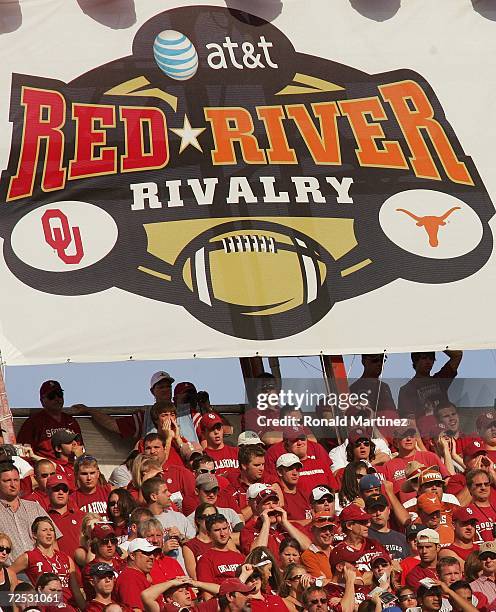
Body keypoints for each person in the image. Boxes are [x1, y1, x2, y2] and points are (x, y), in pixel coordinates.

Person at [10, 517, 83, 610]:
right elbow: (8, 573)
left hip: (68, 607)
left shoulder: (66, 558)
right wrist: (24, 585)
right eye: (44, 530)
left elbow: (76, 590)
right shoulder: (29, 556)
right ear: (34, 535)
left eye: (51, 530)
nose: (49, 533)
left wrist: (85, 609)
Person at [0, 461, 61, 560]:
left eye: (16, 480)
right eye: (7, 481)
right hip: (10, 570)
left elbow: (53, 541)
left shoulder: (34, 507)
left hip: (40, 568)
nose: (13, 484)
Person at [17, 381, 84, 460]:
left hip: (70, 467)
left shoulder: (71, 421)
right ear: (42, 401)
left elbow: (80, 448)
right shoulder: (33, 423)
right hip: (46, 468)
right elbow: (24, 452)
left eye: (59, 394)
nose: (57, 399)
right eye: (51, 396)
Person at [239, 486, 311, 560]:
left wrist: (285, 523)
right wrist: (266, 523)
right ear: (257, 508)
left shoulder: (292, 526)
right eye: (267, 503)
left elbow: (308, 548)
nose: (272, 507)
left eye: (274, 503)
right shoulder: (249, 529)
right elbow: (256, 555)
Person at [265, 427, 338, 496]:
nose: (300, 442)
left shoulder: (321, 463)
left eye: (302, 438)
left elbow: (334, 489)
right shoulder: (286, 470)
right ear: (287, 445)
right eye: (294, 440)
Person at [378, 423, 451, 493]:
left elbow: (447, 480)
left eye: (412, 435)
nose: (409, 439)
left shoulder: (430, 457)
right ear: (396, 441)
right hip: (403, 506)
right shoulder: (388, 466)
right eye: (404, 436)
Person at [142, 476, 195, 571]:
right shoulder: (143, 521)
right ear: (153, 496)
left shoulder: (179, 517)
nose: (169, 494)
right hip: (159, 576)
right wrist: (162, 550)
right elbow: (139, 556)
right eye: (165, 491)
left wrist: (181, 537)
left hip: (184, 574)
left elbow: (196, 546)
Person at [398, 351, 462, 421]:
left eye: (431, 358)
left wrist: (435, 343)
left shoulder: (440, 379)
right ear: (415, 361)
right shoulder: (406, 389)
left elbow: (457, 355)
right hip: (425, 430)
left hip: (446, 428)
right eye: (424, 358)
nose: (428, 362)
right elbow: (408, 421)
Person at [333, 503, 388, 572]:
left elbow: (391, 567)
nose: (368, 524)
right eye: (363, 522)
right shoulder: (339, 553)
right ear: (349, 525)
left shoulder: (375, 544)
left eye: (367, 521)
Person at [196, 514, 244, 589]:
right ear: (208, 534)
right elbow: (207, 594)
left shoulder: (240, 557)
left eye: (224, 528)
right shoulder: (205, 560)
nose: (222, 534)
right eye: (217, 530)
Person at [221, 444, 266, 521]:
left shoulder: (268, 482)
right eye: (257, 465)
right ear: (244, 466)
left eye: (263, 464)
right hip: (246, 531)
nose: (262, 468)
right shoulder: (230, 492)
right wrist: (260, 499)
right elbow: (236, 520)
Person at [114, 538, 162, 611]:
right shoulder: (130, 577)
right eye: (146, 553)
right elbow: (135, 610)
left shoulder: (138, 575)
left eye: (153, 553)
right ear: (132, 555)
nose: (152, 557)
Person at [45, 474, 85, 557]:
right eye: (56, 489)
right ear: (48, 491)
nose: (61, 492)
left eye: (64, 489)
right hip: (58, 567)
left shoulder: (82, 516)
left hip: (81, 568)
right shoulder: (44, 519)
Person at [137, 518, 185, 585]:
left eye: (158, 535)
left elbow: (186, 586)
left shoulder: (172, 562)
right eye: (151, 536)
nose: (155, 540)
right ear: (142, 539)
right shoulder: (140, 565)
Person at [140, 575, 222, 612]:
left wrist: (196, 583)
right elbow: (146, 595)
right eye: (180, 590)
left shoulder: (199, 608)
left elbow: (225, 591)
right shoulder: (165, 609)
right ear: (169, 598)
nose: (187, 592)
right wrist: (172, 583)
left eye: (187, 589)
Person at [365, 493, 409, 560]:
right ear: (367, 512)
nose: (378, 513)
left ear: (388, 511)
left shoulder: (402, 539)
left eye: (381, 509)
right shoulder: (364, 537)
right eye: (373, 510)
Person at [275, 453, 312, 522]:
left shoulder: (306, 494)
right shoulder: (277, 498)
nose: (295, 473)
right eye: (290, 469)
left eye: (297, 469)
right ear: (280, 472)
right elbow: (279, 523)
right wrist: (308, 522)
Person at [183, 503, 217, 579]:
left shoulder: (224, 541)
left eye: (214, 516)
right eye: (206, 517)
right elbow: (195, 577)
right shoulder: (190, 546)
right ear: (198, 520)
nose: (211, 520)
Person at [301, 513, 335, 578]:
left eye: (330, 528)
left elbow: (358, 580)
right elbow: (321, 584)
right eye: (323, 529)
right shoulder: (308, 556)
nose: (328, 533)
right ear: (312, 530)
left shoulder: (338, 552)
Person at [466, 469, 496, 543]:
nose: (483, 488)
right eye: (478, 485)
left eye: (486, 484)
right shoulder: (467, 513)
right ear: (469, 489)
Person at [469, 541, 496, 605]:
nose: (488, 560)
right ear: (480, 561)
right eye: (484, 557)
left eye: (492, 556)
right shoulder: (472, 587)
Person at [0, 532, 18, 601]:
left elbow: (14, 603)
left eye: (7, 550)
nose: (4, 553)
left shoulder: (11, 575)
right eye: (0, 548)